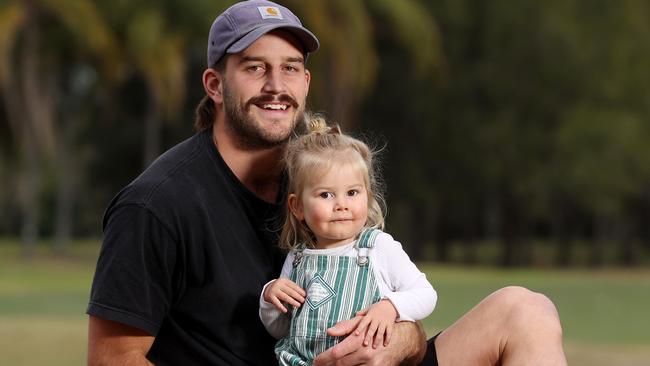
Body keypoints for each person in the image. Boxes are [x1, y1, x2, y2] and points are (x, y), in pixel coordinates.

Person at [87, 1, 568, 365]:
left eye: (290, 68)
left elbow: (411, 328)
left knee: (525, 310)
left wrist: (392, 342)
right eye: (256, 68)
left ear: (306, 83)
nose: (277, 85)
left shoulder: (324, 178)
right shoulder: (157, 205)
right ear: (214, 85)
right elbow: (113, 359)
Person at [259, 116, 437, 365]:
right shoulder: (298, 259)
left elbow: (426, 294)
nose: (341, 205)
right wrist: (270, 297)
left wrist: (391, 307)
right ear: (297, 206)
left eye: (352, 192)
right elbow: (282, 329)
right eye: (326, 194)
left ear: (367, 196)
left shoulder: (377, 247)